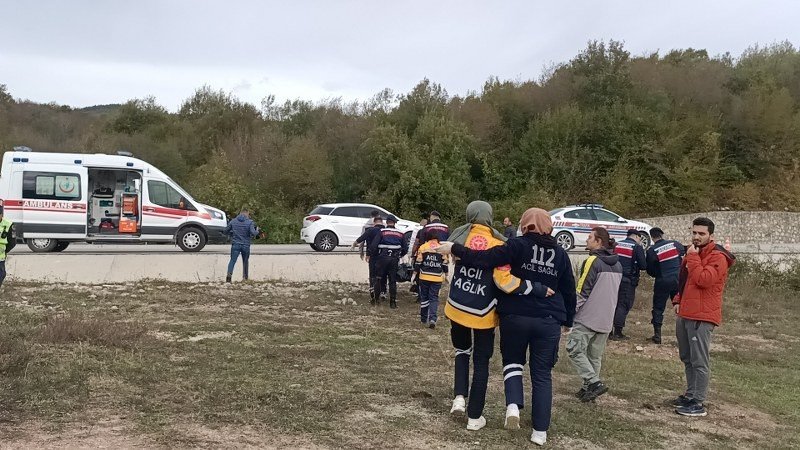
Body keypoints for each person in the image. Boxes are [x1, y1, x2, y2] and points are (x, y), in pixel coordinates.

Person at [436, 208, 577, 446]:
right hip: (549, 319)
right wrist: (568, 320)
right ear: (549, 226)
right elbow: (569, 290)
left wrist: (455, 248)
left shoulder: (516, 246)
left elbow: (484, 259)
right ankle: (540, 433)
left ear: (524, 224)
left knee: (513, 362)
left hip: (515, 315)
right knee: (542, 375)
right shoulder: (561, 254)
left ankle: (513, 408)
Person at [439, 200, 522, 432]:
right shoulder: (499, 243)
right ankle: (475, 417)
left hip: (458, 307)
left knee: (461, 352)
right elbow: (502, 280)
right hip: (484, 312)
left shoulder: (457, 237)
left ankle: (458, 400)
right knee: (481, 362)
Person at [671, 217, 735, 417]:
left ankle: (698, 402)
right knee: (687, 357)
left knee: (699, 360)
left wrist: (692, 258)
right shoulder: (695, 253)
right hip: (686, 312)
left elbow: (703, 279)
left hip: (702, 315)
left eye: (701, 234)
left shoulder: (718, 257)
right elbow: (686, 280)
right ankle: (690, 395)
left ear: (711, 236)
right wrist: (678, 300)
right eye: (694, 233)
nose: (696, 237)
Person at [567, 227, 622, 403]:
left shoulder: (592, 261)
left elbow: (583, 290)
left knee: (574, 349)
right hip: (607, 318)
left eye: (590, 237)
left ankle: (593, 382)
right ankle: (587, 390)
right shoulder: (618, 264)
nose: (586, 240)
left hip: (588, 317)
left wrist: (570, 312)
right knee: (594, 356)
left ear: (598, 242)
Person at [646, 227, 686, 344]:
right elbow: (685, 256)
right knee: (680, 305)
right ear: (662, 234)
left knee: (658, 308)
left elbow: (650, 270)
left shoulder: (652, 250)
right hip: (678, 279)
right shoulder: (675, 244)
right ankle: (685, 334)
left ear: (652, 237)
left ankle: (657, 336)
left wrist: (658, 274)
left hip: (662, 281)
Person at [610, 229, 647, 340]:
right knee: (623, 304)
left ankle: (608, 330)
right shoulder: (636, 247)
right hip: (627, 280)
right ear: (636, 236)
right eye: (640, 239)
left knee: (613, 304)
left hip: (613, 278)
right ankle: (618, 332)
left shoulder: (617, 244)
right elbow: (643, 265)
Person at [368, 215, 409, 309]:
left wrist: (373, 255)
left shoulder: (382, 232)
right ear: (394, 223)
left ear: (387, 222)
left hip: (382, 258)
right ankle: (393, 302)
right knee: (392, 280)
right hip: (394, 259)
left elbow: (374, 245)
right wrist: (400, 255)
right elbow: (405, 248)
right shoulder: (400, 233)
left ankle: (376, 300)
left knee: (378, 278)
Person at [414, 231, 449, 328]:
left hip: (424, 276)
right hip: (437, 277)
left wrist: (414, 273)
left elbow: (418, 262)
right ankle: (433, 319)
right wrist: (446, 275)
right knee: (434, 298)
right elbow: (445, 263)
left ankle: (423, 318)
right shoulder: (442, 248)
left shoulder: (423, 247)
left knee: (424, 297)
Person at [352, 216, 385, 304]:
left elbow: (362, 238)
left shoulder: (370, 230)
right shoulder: (385, 230)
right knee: (382, 275)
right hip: (383, 256)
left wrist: (355, 243)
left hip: (373, 256)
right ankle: (383, 292)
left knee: (372, 275)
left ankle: (372, 293)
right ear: (382, 222)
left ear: (374, 223)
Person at [225, 207, 260, 283]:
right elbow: (253, 233)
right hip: (246, 245)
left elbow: (226, 231)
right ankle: (245, 278)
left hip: (235, 244)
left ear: (240, 213)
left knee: (232, 260)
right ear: (247, 213)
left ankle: (229, 276)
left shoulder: (233, 221)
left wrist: (231, 234)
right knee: (245, 261)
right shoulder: (250, 222)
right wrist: (257, 230)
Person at [0, 205, 17, 289]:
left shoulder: (9, 224)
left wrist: (5, 251)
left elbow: (12, 242)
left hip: (1, 256)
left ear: (1, 215)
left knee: (1, 274)